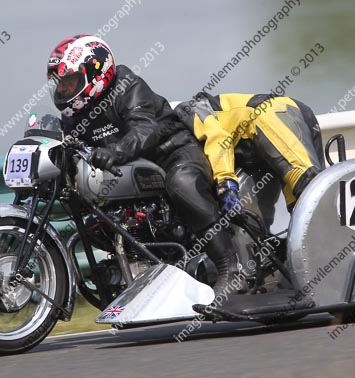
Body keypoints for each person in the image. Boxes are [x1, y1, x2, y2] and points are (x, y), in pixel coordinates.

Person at [46, 35, 243, 297]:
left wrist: (115, 151)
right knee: (97, 219)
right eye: (60, 84)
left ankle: (231, 269)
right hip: (131, 168)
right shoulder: (74, 114)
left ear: (95, 73)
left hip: (172, 153)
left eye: (69, 82)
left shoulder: (127, 86)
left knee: (182, 184)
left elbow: (144, 129)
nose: (64, 90)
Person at [176, 92, 324, 227]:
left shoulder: (187, 111)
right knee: (299, 208)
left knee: (309, 188)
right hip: (264, 140)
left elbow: (218, 139)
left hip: (271, 115)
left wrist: (226, 186)